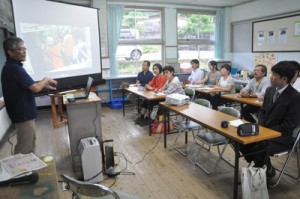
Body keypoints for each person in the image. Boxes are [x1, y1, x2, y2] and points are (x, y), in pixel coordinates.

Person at [239, 61, 300, 185]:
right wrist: (261, 126)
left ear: (284, 79)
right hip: (264, 131)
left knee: (259, 146)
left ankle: (262, 170)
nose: (271, 77)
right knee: (241, 141)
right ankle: (266, 168)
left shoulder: (295, 97)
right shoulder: (270, 90)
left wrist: (267, 132)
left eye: (274, 75)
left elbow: (289, 124)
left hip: (282, 136)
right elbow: (262, 111)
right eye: (271, 73)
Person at [1, 36, 58, 155]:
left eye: (24, 48)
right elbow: (36, 88)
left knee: (30, 142)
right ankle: (21, 172)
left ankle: (29, 170)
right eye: (20, 49)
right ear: (10, 52)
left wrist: (44, 85)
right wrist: (45, 79)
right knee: (24, 148)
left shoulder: (13, 67)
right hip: (23, 115)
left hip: (24, 113)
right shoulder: (14, 69)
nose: (24, 51)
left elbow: (30, 86)